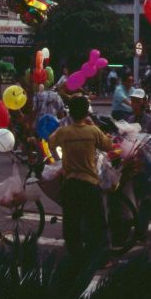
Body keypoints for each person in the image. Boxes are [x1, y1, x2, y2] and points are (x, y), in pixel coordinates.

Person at [48, 95, 113, 269]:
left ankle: (76, 258)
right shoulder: (93, 131)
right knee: (98, 224)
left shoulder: (65, 132)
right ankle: (102, 259)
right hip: (90, 183)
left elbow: (51, 142)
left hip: (70, 184)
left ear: (71, 112)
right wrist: (95, 127)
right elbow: (108, 145)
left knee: (71, 224)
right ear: (86, 112)